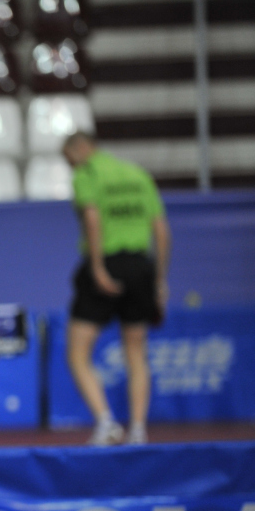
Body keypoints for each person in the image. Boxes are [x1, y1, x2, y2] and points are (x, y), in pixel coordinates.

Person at [62, 132, 171, 446]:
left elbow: (93, 219)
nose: (69, 167)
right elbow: (162, 230)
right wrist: (159, 281)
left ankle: (106, 422)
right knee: (136, 352)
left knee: (78, 352)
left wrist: (97, 268)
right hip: (142, 267)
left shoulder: (87, 174)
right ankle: (138, 430)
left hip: (105, 263)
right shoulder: (137, 175)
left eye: (68, 159)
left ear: (79, 149)